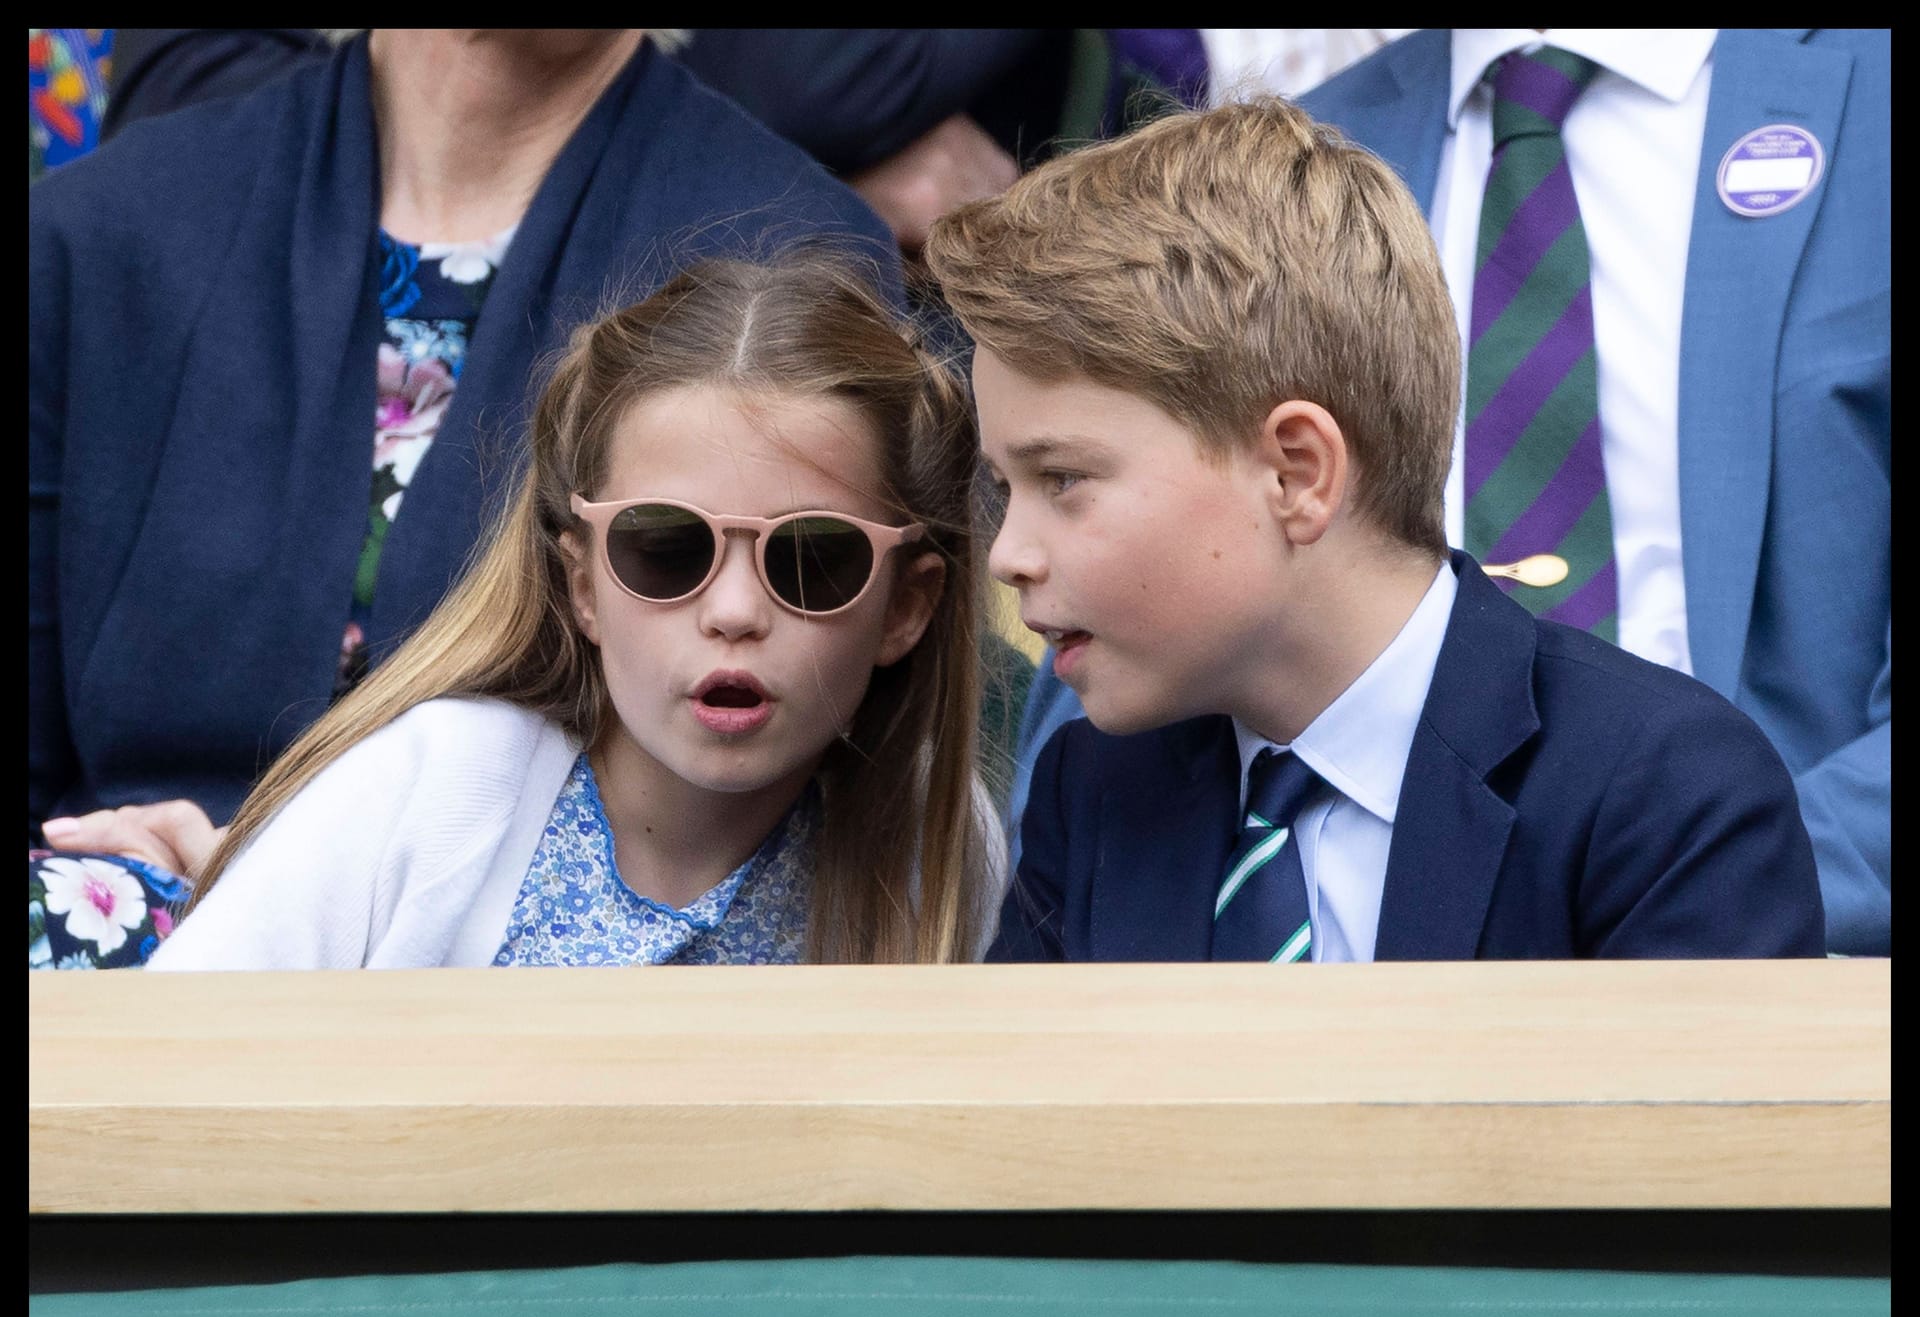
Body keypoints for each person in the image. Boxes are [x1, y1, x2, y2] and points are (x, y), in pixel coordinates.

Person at [1005, 28, 1891, 957]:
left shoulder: (1861, 91)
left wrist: (1681, 879)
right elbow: (1124, 656)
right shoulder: (1283, 164)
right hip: (1294, 896)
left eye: (1060, 480)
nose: (1010, 549)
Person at [29, 30, 899, 966]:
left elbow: (824, 779)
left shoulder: (782, 250)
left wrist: (295, 885)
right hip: (116, 920)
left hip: (524, 955)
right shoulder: (106, 229)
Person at [149, 255, 1003, 969]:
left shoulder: (941, 843)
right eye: (665, 548)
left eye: (815, 557)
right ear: (582, 584)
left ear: (909, 605)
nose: (735, 611)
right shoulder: (427, 785)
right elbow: (170, 1080)